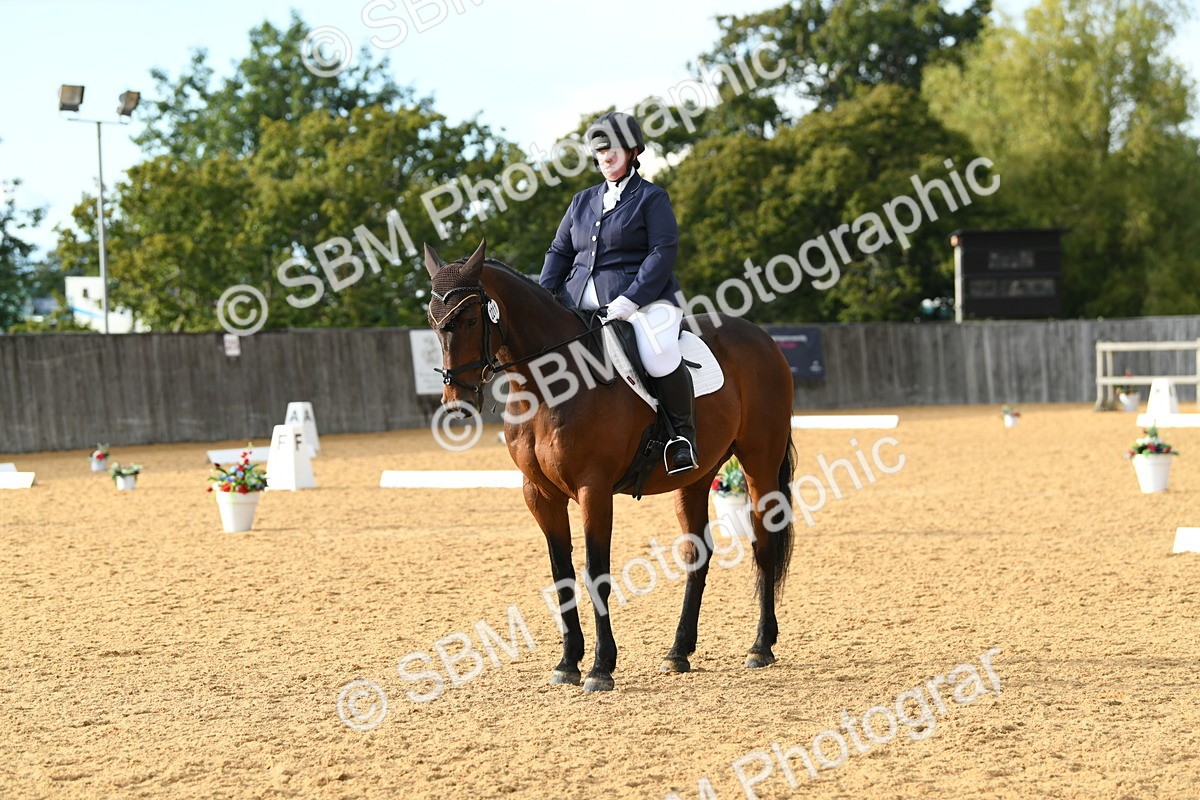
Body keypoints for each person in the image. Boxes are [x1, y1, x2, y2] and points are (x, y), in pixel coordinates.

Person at [539, 111, 697, 474]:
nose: (605, 158)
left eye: (613, 150)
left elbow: (663, 251)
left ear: (632, 152)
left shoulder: (651, 197)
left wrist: (632, 298)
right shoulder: (582, 201)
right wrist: (545, 295)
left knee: (658, 353)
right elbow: (560, 252)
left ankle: (680, 436)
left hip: (645, 301)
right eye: (599, 152)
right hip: (578, 303)